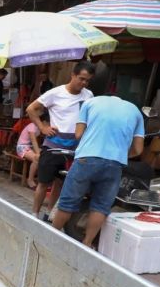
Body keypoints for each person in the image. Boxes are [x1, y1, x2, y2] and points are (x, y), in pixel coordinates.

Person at [52, 96, 145, 246]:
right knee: (101, 206)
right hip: (115, 164)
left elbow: (79, 134)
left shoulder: (89, 103)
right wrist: (119, 153)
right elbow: (138, 149)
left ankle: (50, 236)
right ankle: (87, 243)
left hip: (87, 158)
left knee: (68, 202)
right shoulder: (135, 110)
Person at [26, 61, 95, 222]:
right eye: (81, 78)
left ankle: (50, 212)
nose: (84, 83)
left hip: (75, 147)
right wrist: (42, 127)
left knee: (60, 182)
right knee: (44, 182)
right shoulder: (55, 93)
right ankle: (34, 214)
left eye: (87, 80)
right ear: (73, 75)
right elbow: (31, 109)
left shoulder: (89, 95)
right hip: (53, 145)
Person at [16, 122, 41, 188]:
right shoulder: (32, 126)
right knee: (36, 158)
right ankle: (30, 180)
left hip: (30, 147)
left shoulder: (40, 127)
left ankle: (41, 179)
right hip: (22, 147)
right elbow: (33, 140)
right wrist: (38, 153)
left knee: (46, 155)